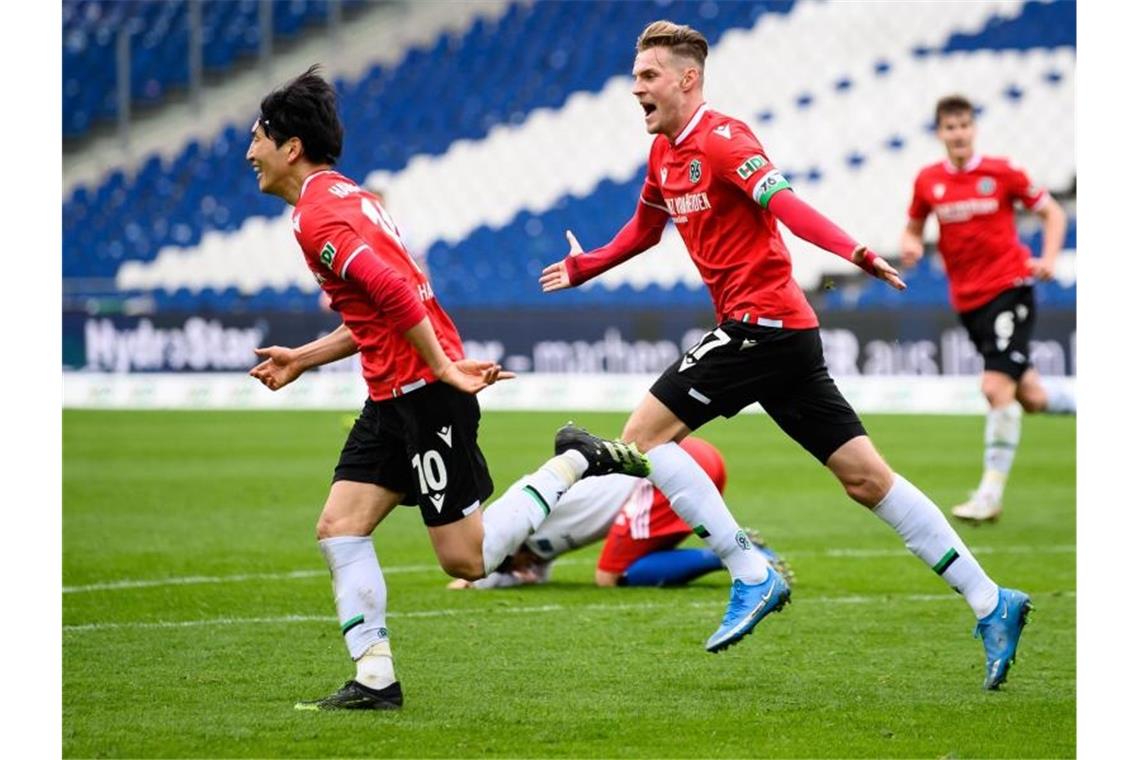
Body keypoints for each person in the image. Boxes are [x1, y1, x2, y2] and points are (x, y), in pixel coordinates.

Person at [539, 21, 1030, 689]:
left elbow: (786, 204)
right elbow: (644, 231)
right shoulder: (664, 156)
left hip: (761, 325)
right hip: (782, 336)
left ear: (688, 79)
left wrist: (854, 251)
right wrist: (586, 266)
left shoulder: (725, 139)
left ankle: (750, 573)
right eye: (637, 76)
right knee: (866, 479)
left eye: (649, 76)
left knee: (643, 437)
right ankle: (990, 601)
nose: (636, 88)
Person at [245, 65, 650, 711]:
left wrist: (440, 369)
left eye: (259, 137)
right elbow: (379, 314)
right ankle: (375, 679)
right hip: (394, 395)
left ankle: (576, 459)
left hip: (423, 395)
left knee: (466, 561)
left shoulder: (317, 219)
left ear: (291, 146)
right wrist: (303, 358)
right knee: (339, 526)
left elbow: (397, 292)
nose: (250, 152)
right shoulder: (350, 198)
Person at [901, 94, 1074, 524]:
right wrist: (910, 244)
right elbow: (915, 225)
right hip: (968, 301)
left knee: (995, 389)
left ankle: (989, 495)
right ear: (940, 133)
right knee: (1031, 397)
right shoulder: (928, 181)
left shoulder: (1002, 172)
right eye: (949, 127)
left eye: (964, 125)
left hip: (1009, 289)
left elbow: (1053, 212)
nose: (958, 133)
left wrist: (1049, 259)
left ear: (974, 128)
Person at [447, 436, 794, 590]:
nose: (524, 571)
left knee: (609, 577)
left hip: (665, 473)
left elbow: (486, 549)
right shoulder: (535, 546)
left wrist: (470, 576)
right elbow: (524, 573)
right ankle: (736, 550)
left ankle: (737, 552)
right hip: (690, 461)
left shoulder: (527, 509)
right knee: (638, 561)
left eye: (513, 565)